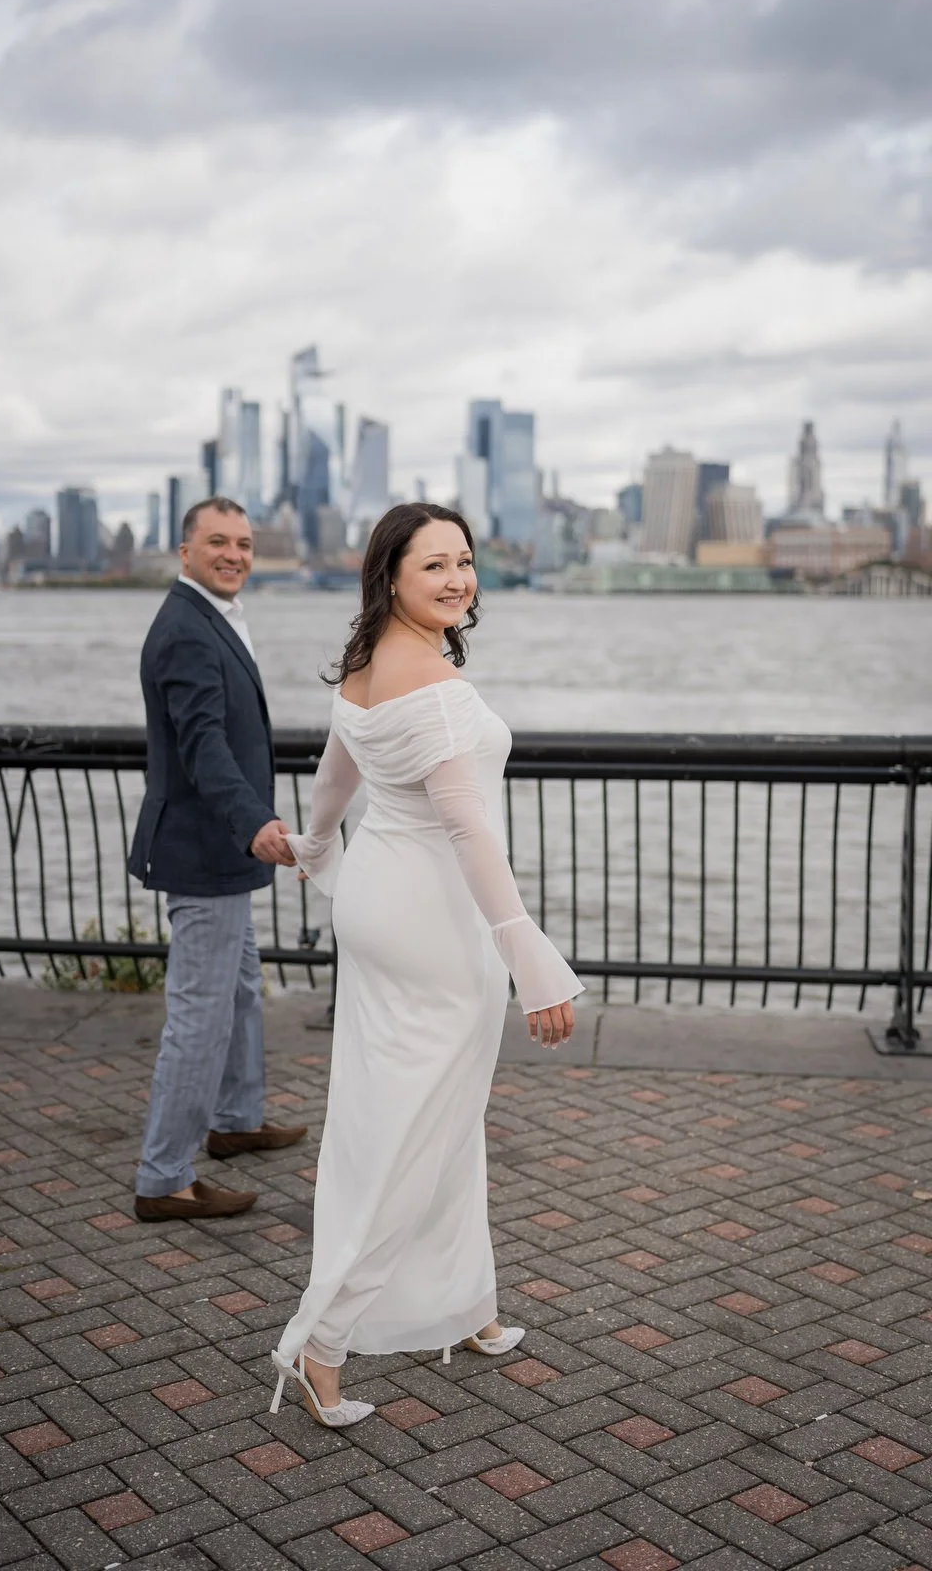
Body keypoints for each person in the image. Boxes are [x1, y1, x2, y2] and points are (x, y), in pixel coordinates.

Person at [269, 502, 583, 1426]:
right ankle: (320, 1346)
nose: (456, 579)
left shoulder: (370, 665)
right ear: (392, 576)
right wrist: (531, 956)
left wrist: (312, 847)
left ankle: (464, 1306)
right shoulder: (435, 687)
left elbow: (336, 774)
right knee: (414, 1132)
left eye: (465, 562)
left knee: (430, 1119)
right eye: (434, 565)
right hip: (436, 925)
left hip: (380, 902)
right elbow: (468, 829)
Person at [128, 497, 307, 1221]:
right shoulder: (188, 631)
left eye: (244, 543)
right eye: (218, 542)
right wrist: (254, 821)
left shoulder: (210, 618)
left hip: (218, 851)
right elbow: (202, 745)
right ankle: (162, 1176)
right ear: (185, 551)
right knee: (200, 1015)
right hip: (207, 851)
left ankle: (234, 1121)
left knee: (238, 990)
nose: (234, 554)